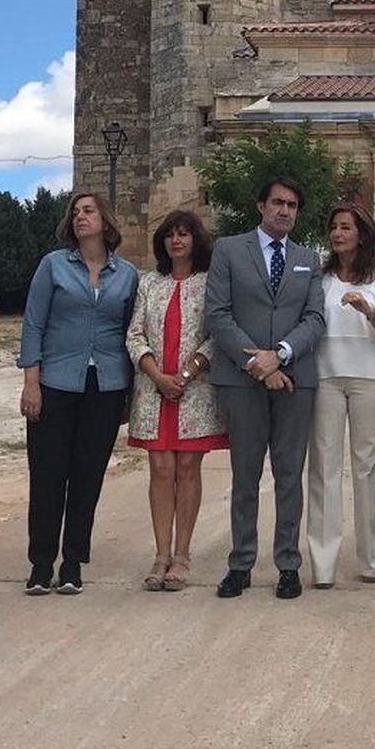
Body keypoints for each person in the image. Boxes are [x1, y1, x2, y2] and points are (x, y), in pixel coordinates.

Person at [205, 177, 327, 600]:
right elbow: (217, 315)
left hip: (295, 379)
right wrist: (258, 363)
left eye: (293, 205)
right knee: (245, 475)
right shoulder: (228, 250)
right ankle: (240, 563)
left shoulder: (308, 258)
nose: (285, 211)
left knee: (290, 475)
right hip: (241, 379)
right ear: (261, 205)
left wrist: (281, 354)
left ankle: (288, 564)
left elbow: (316, 318)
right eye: (278, 202)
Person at [18, 192, 139, 596]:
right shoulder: (52, 266)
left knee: (87, 477)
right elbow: (33, 325)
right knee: (48, 475)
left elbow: (129, 333)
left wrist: (129, 395)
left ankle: (72, 563)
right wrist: (30, 383)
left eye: (88, 211)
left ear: (105, 219)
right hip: (55, 381)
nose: (80, 217)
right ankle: (40, 563)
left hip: (105, 385)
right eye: (75, 212)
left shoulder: (126, 275)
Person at [126, 210, 224, 592]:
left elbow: (218, 333)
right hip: (154, 390)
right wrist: (157, 375)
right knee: (160, 470)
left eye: (183, 234)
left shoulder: (209, 283)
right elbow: (134, 334)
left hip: (193, 390)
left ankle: (182, 555)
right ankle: (160, 553)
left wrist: (185, 374)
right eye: (170, 235)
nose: (176, 241)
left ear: (195, 240)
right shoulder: (149, 283)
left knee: (187, 467)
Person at [306, 203, 375, 588]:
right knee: (324, 469)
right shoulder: (321, 276)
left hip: (369, 378)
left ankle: (369, 558)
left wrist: (367, 309)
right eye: (333, 226)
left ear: (361, 233)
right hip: (325, 376)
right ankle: (323, 563)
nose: (337, 233)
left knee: (366, 469)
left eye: (345, 227)